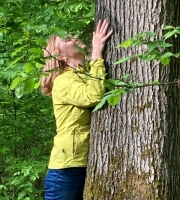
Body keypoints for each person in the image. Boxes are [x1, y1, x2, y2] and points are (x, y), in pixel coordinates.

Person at [41, 19, 112, 200]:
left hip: (82, 164)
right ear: (61, 57)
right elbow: (93, 95)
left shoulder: (86, 75)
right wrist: (96, 54)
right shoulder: (63, 81)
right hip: (66, 170)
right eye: (66, 40)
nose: (74, 39)